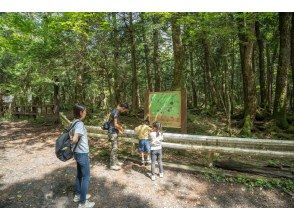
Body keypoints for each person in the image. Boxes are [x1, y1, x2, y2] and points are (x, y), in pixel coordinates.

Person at [69, 104, 95, 208]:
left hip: (77, 152)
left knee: (79, 175)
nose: (86, 113)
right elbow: (75, 139)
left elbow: (73, 136)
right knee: (86, 177)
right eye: (85, 111)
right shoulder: (79, 124)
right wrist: (73, 140)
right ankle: (83, 203)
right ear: (81, 112)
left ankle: (78, 195)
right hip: (82, 153)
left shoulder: (73, 122)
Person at [107, 103, 129, 170]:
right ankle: (112, 165)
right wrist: (121, 129)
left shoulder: (115, 111)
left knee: (115, 148)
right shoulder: (116, 112)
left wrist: (120, 128)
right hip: (112, 132)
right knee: (114, 148)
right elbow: (115, 124)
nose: (124, 111)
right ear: (123, 108)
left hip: (114, 132)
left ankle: (115, 161)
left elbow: (116, 123)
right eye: (124, 110)